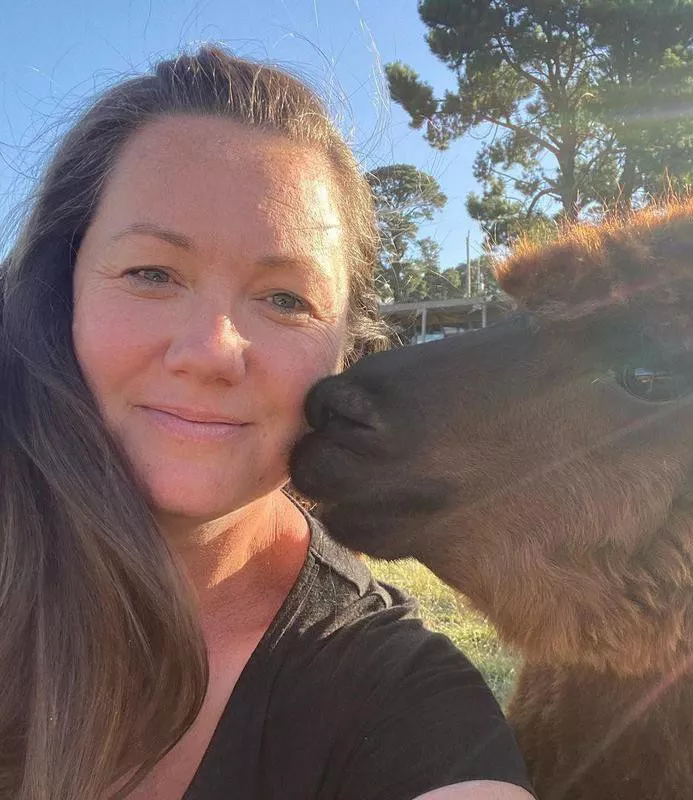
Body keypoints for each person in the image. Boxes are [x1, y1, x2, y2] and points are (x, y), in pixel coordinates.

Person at [0, 46, 533, 800]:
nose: (212, 351)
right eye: (152, 273)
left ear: (345, 348)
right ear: (62, 293)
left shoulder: (399, 699)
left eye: (286, 299)